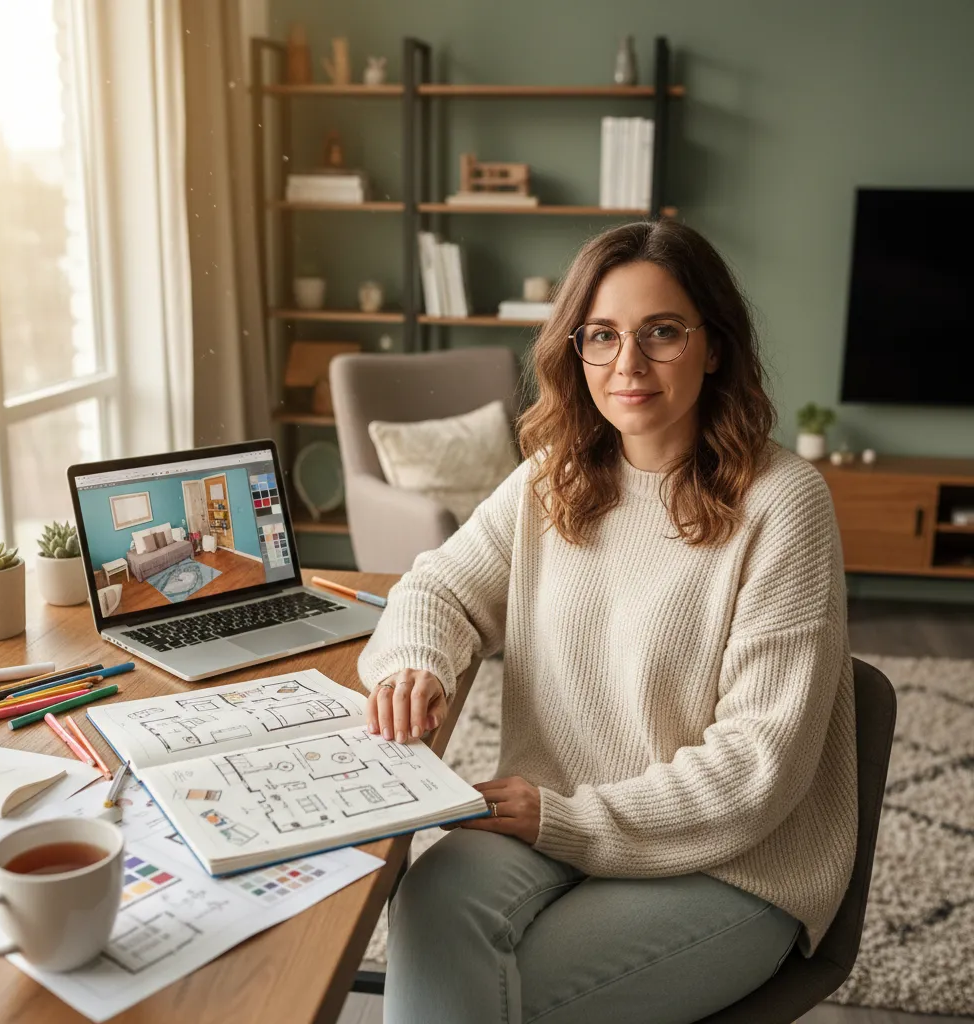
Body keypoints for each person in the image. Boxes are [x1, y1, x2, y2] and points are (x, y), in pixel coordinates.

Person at [357, 219, 858, 1024]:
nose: (628, 364)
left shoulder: (783, 503)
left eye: (661, 332)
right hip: (551, 818)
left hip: (732, 862)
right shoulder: (552, 478)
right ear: (576, 348)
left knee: (501, 1000)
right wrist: (415, 662)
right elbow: (438, 589)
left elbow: (757, 767)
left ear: (715, 345)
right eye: (602, 335)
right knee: (427, 898)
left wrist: (572, 821)